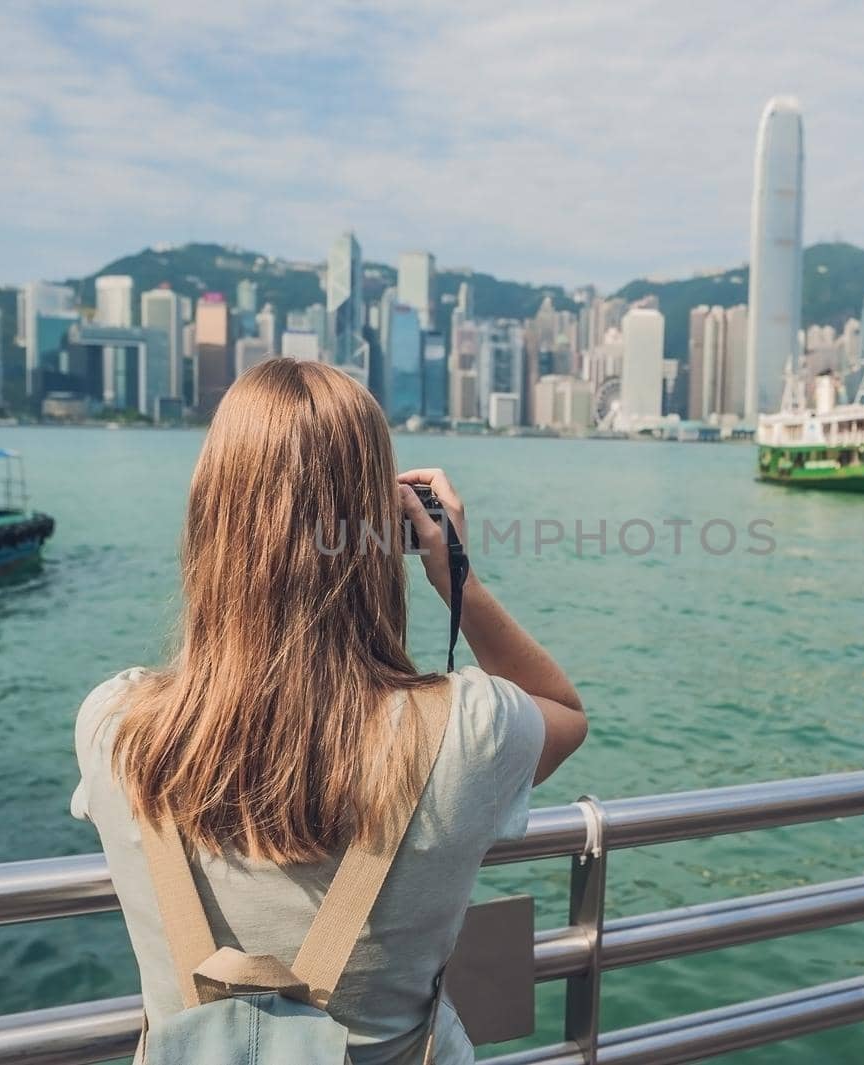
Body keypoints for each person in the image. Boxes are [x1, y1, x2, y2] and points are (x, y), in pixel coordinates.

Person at [71, 358, 588, 1064]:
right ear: (383, 527)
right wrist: (455, 571)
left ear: (210, 516)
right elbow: (563, 710)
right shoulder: (469, 729)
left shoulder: (113, 728)